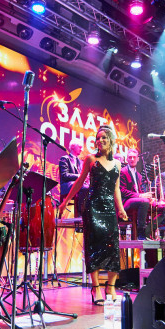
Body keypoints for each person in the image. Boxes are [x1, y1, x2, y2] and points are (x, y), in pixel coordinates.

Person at [58, 126, 128, 304]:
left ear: (111, 140)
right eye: (98, 138)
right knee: (93, 246)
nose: (100, 140)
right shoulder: (90, 159)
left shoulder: (118, 164)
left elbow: (116, 189)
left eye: (104, 137)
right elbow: (79, 182)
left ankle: (110, 287)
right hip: (93, 207)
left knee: (112, 247)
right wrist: (65, 202)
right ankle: (95, 287)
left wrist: (121, 208)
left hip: (109, 209)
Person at [120, 148, 165, 239]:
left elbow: (141, 191)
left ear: (138, 159)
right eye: (130, 157)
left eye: (134, 157)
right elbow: (122, 191)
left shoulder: (139, 175)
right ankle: (141, 231)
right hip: (126, 201)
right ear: (127, 159)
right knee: (144, 201)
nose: (132, 159)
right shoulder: (122, 172)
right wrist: (140, 196)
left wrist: (149, 197)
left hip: (139, 200)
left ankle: (148, 229)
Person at [58, 141, 87, 214]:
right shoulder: (65, 159)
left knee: (90, 188)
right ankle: (80, 214)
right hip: (67, 185)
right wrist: (79, 176)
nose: (81, 149)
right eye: (80, 147)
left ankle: (86, 213)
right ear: (73, 146)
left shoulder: (80, 161)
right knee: (84, 187)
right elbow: (64, 175)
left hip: (77, 184)